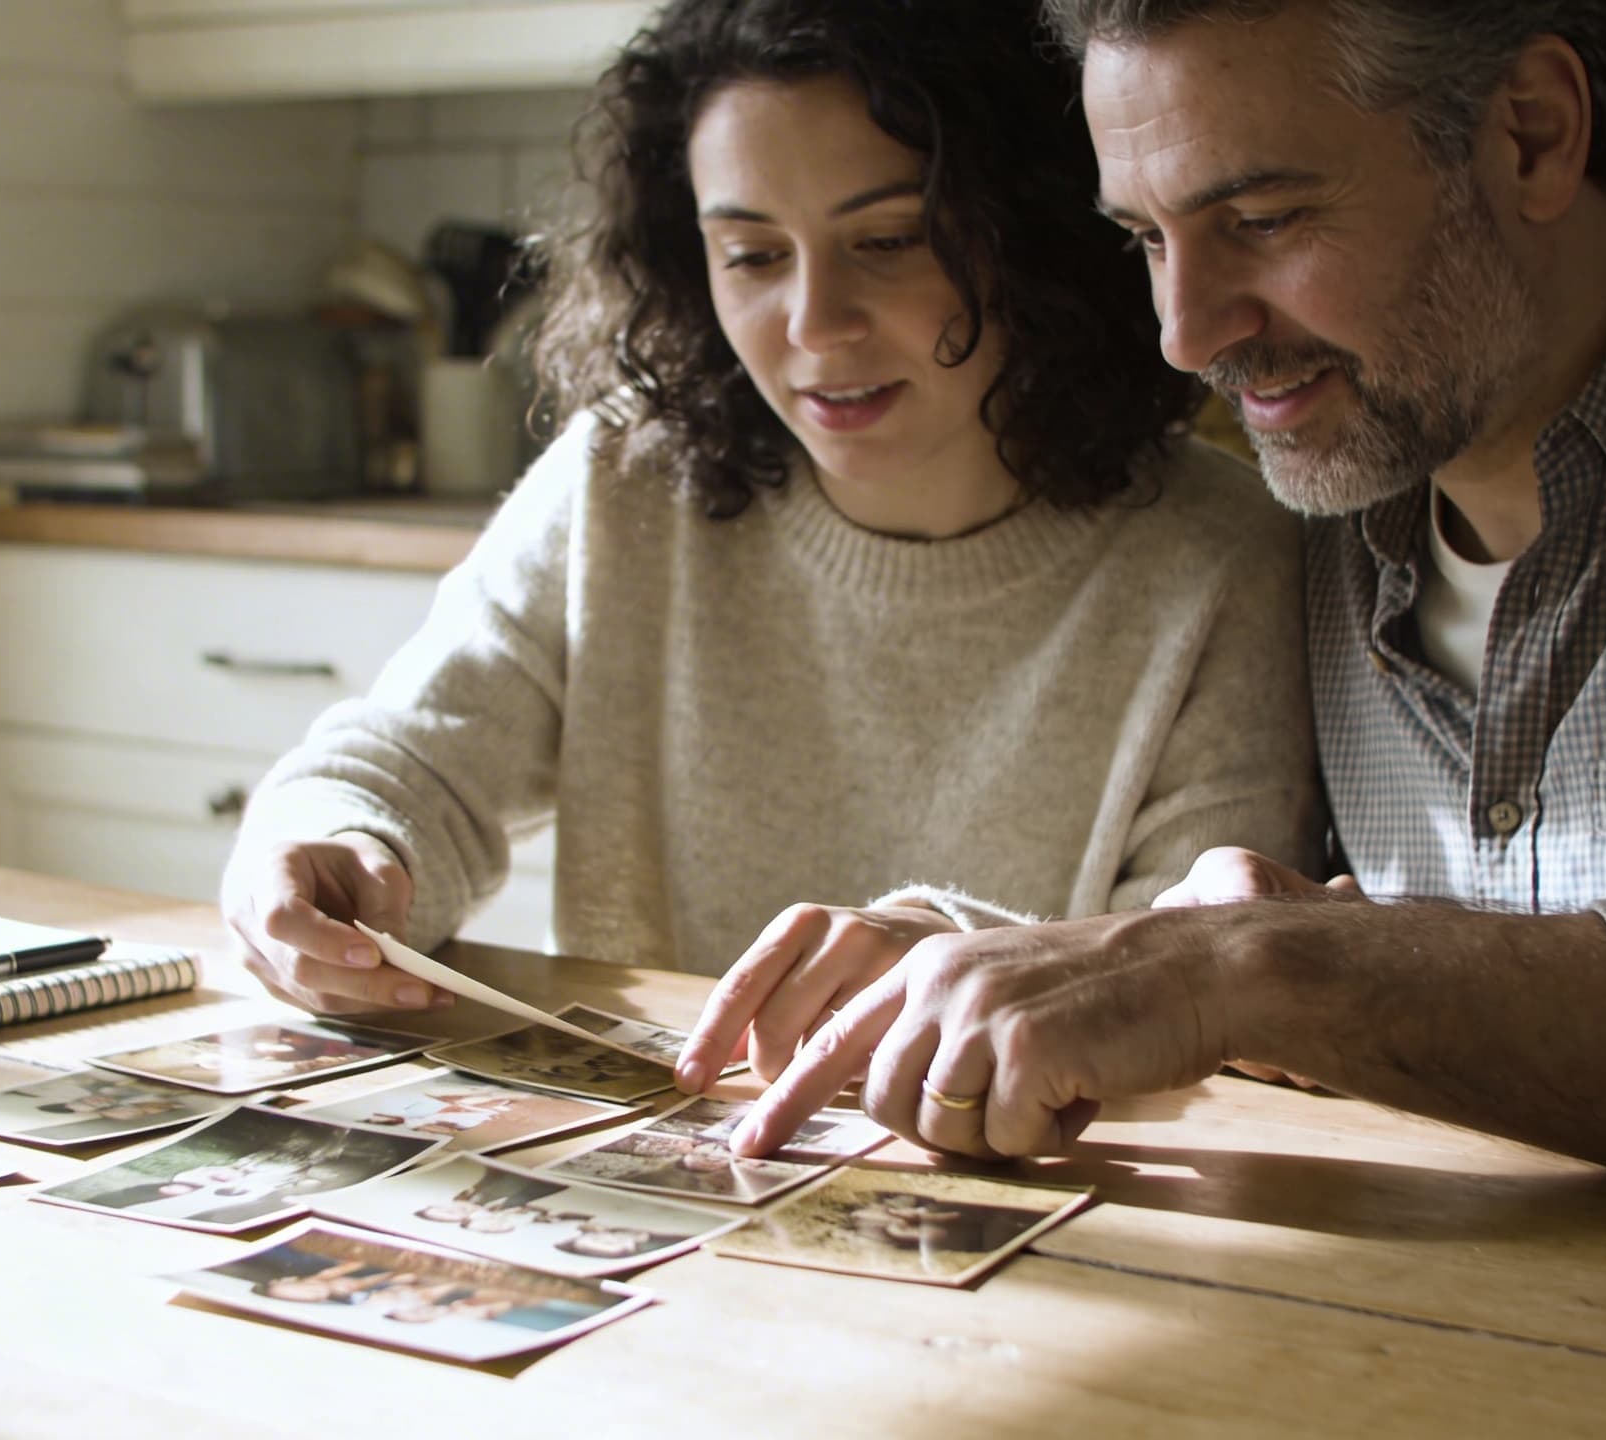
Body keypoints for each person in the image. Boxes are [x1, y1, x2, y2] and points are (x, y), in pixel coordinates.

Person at [725, 0, 1606, 1203]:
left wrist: (1261, 969)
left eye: (1263, 220)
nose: (1187, 332)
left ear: (1532, 134)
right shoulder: (1338, 473)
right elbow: (1339, 966)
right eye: (1146, 238)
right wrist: (984, 972)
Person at [219, 0, 1320, 1035]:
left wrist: (949, 956)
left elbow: (1193, 974)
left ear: (1030, 237)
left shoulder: (1220, 557)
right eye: (750, 254)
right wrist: (329, 841)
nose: (814, 324)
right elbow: (412, 763)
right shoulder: (623, 478)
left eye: (887, 240)